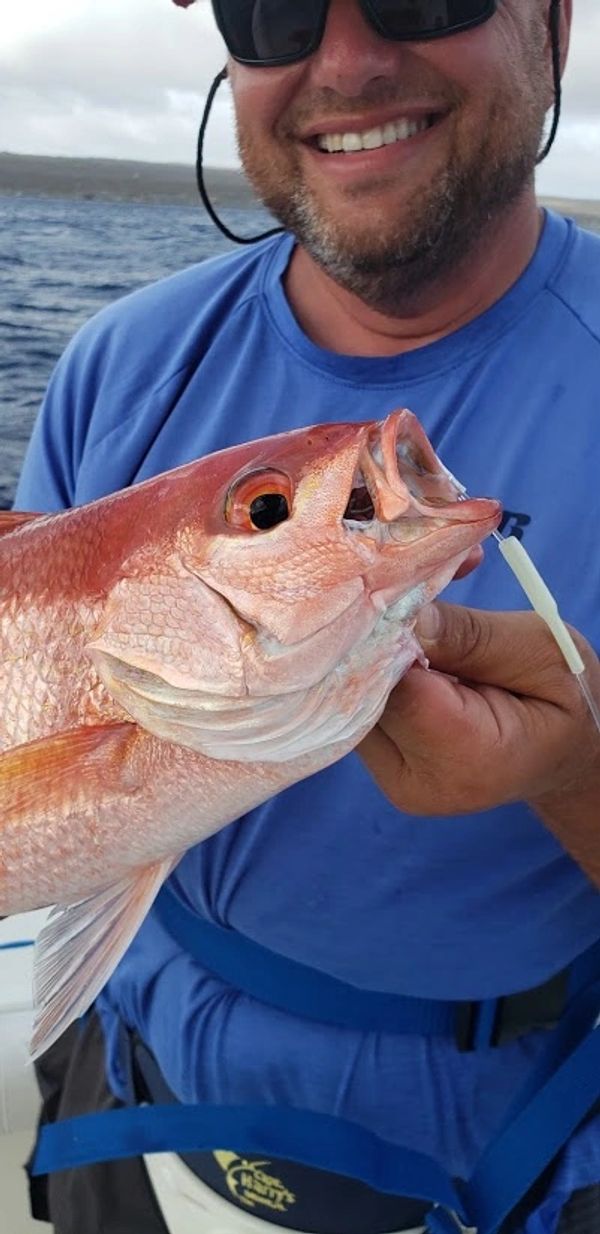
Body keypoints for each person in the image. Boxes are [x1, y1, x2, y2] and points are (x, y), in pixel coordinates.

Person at [13, 1, 600, 1231]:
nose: (345, 63)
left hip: (505, 1156)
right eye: (272, 6)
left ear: (554, 20)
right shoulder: (119, 361)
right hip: (127, 1087)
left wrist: (576, 772)